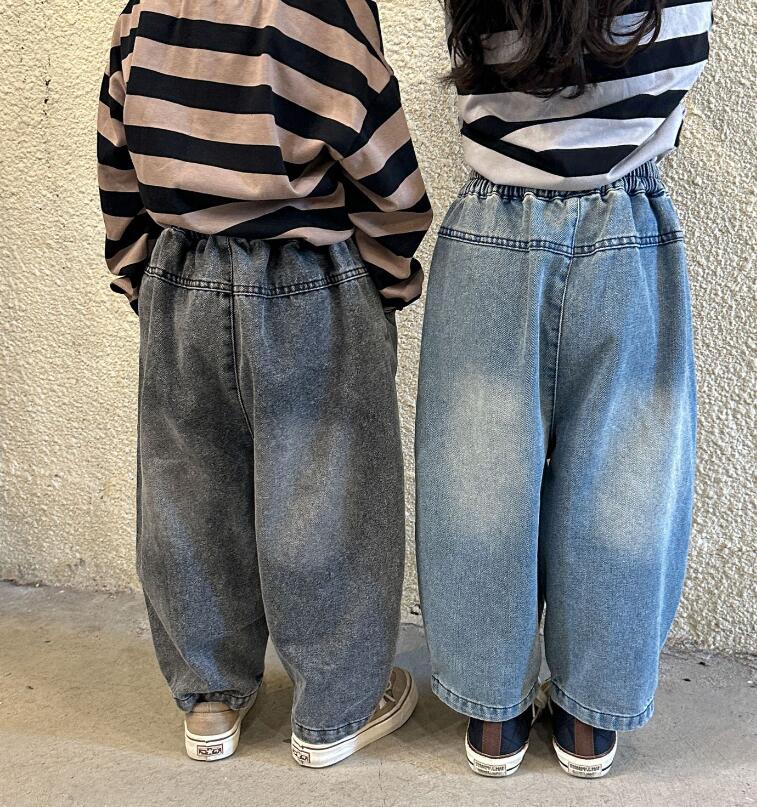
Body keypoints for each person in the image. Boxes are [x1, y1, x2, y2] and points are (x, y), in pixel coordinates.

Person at [97, 0, 431, 766]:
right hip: (308, 276)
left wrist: (142, 277)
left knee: (188, 490)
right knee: (327, 494)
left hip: (181, 270)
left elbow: (117, 163)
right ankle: (334, 709)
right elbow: (386, 176)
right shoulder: (325, 9)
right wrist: (384, 280)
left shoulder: (143, 12)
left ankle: (209, 699)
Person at [415, 0, 711, 779]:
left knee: (477, 481)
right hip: (627, 226)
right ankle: (587, 720)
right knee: (624, 481)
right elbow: (678, 78)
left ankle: (493, 715)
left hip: (490, 232)